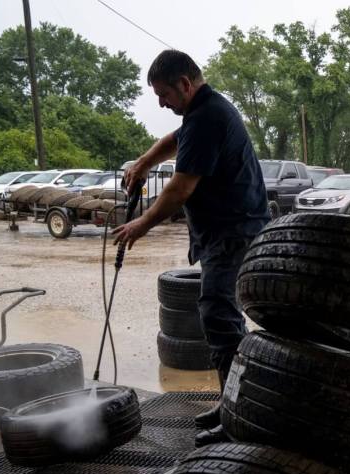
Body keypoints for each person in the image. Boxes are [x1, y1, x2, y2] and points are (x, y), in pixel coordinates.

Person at [114, 49, 269, 446]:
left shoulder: (209, 116)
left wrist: (140, 225)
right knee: (221, 315)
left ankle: (239, 414)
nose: (161, 104)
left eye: (163, 95)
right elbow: (175, 139)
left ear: (184, 84)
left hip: (233, 232)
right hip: (226, 230)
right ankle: (231, 402)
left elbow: (180, 188)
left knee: (219, 315)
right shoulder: (201, 112)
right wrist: (144, 162)